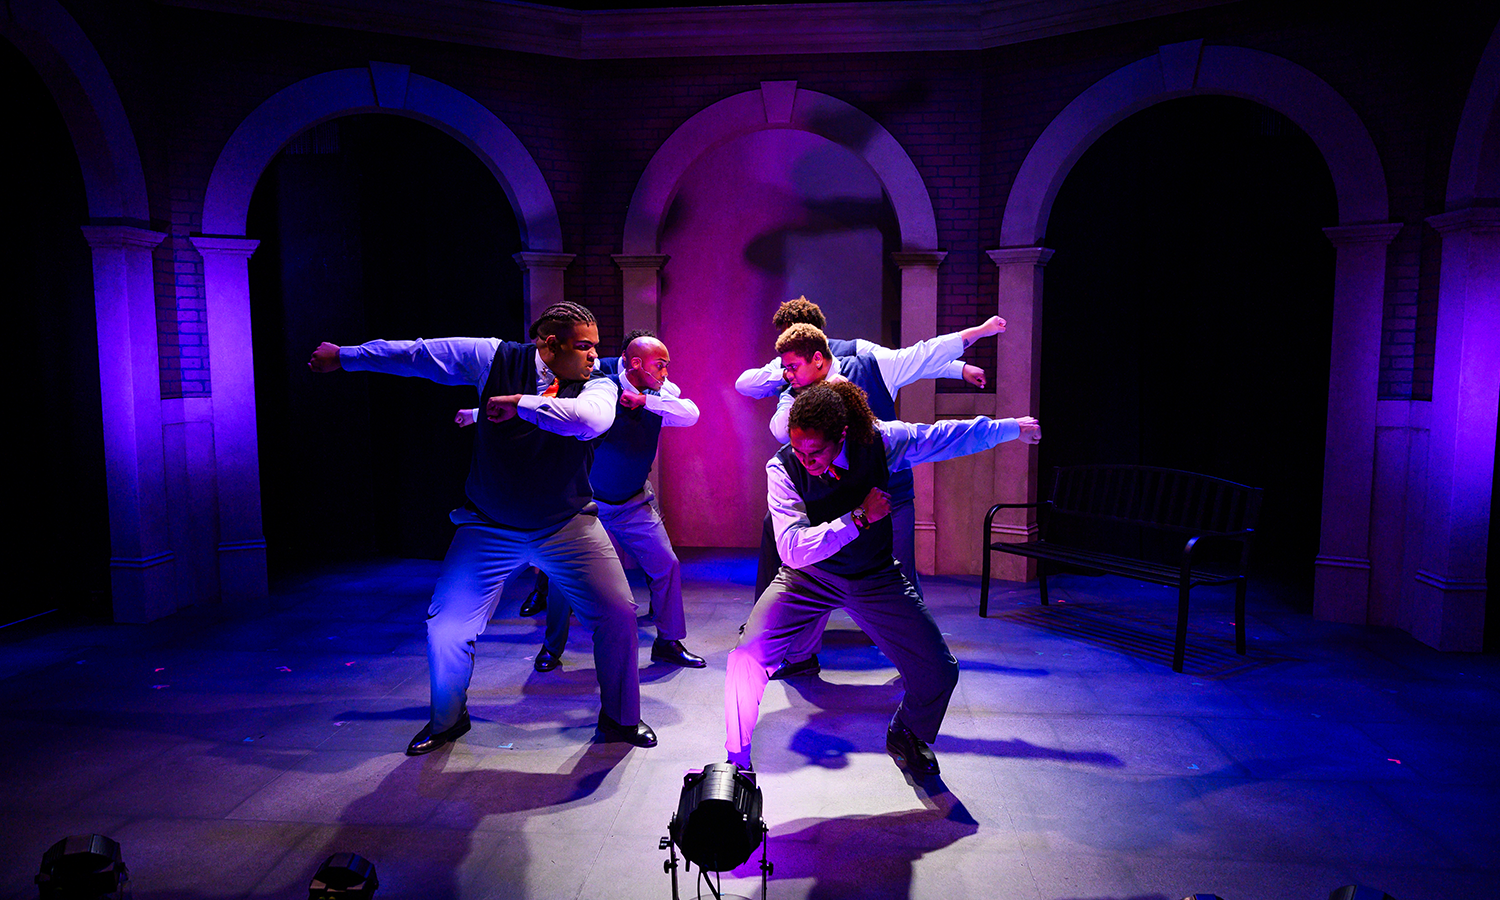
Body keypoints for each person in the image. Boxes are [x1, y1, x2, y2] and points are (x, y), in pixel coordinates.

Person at [308, 301, 658, 755]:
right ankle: (449, 719)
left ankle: (620, 717)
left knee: (618, 614)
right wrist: (346, 355)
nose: (595, 356)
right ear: (548, 344)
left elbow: (591, 421)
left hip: (565, 523)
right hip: (489, 524)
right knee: (447, 625)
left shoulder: (599, 386)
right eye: (583, 346)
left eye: (596, 347)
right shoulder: (493, 358)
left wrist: (521, 406)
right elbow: (419, 355)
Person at [726, 381, 1040, 778]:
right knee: (745, 659)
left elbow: (944, 437)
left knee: (940, 670)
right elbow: (791, 548)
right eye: (798, 448)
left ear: (840, 435)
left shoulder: (881, 441)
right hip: (807, 578)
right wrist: (857, 519)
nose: (806, 459)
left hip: (874, 576)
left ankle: (907, 732)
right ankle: (736, 761)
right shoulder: (782, 466)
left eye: (816, 451)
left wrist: (1012, 428)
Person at [754, 316, 1007, 679]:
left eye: (791, 366)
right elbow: (766, 408)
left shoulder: (865, 361)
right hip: (828, 499)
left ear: (818, 354)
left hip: (885, 496)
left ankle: (915, 657)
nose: (785, 373)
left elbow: (919, 358)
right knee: (812, 570)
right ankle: (799, 655)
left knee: (898, 578)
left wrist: (966, 355)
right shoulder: (793, 392)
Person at [460, 331, 707, 672]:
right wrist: (478, 413)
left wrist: (645, 402)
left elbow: (690, 412)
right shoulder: (598, 377)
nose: (666, 372)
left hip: (634, 500)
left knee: (667, 564)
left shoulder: (660, 390)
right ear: (635, 364)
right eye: (660, 365)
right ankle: (552, 647)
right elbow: (548, 403)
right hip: (587, 505)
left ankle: (668, 641)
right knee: (566, 578)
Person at [733, 296, 986, 400]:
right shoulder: (784, 368)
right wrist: (791, 372)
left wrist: (958, 370)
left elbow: (904, 362)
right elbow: (744, 385)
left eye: (791, 332)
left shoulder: (855, 350)